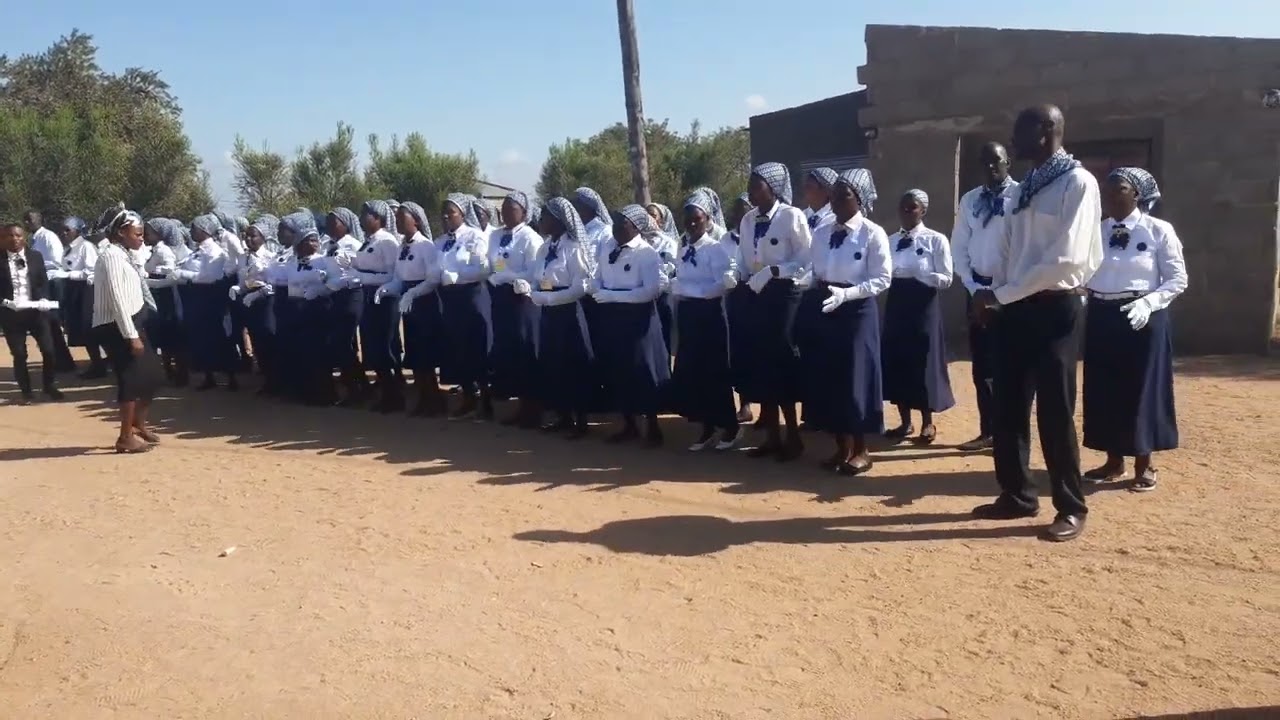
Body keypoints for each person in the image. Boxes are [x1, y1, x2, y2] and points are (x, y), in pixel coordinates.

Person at [970, 104, 1102, 542]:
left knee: (1055, 411)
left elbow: (1065, 259)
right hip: (1015, 309)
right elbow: (1010, 250)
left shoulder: (1077, 183)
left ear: (1046, 131)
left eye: (1019, 132)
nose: (1011, 141)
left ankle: (1070, 506)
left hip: (1055, 308)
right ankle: (1018, 494)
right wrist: (993, 297)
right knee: (1007, 406)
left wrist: (1002, 294)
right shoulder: (1027, 186)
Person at [1082, 167, 1186, 492]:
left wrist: (1149, 303)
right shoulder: (1095, 232)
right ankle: (1114, 461)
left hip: (1142, 316)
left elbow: (1177, 279)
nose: (1111, 197)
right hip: (1101, 315)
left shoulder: (1158, 231)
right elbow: (1082, 272)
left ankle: (1145, 463)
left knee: (1141, 388)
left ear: (1137, 195)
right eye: (1107, 191)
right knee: (1105, 388)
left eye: (1120, 190)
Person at [797, 169, 891, 475]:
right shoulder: (822, 232)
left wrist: (848, 294)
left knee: (855, 378)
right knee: (829, 377)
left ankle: (861, 449)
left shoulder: (872, 233)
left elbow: (881, 278)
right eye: (834, 194)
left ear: (860, 199)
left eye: (844, 195)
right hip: (825, 304)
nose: (836, 200)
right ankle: (840, 447)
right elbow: (816, 269)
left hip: (857, 311)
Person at [738, 162, 813, 462]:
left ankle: (793, 436)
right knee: (762, 363)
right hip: (756, 294)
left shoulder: (790, 216)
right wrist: (740, 275)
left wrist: (775, 271)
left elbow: (807, 259)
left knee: (782, 362)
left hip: (784, 296)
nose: (751, 191)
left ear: (774, 188)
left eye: (757, 186)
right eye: (750, 185)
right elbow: (743, 257)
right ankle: (771, 436)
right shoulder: (747, 220)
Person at [951, 142, 1018, 452]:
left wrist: (1002, 292)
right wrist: (973, 287)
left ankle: (1010, 433)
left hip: (1012, 293)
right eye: (985, 163)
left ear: (1008, 163)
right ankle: (987, 431)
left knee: (1011, 366)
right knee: (982, 367)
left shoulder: (1020, 197)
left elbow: (1026, 248)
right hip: (977, 292)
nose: (991, 168)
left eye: (997, 162)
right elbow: (959, 247)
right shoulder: (970, 200)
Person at [881, 189, 956, 444]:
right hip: (897, 301)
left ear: (923, 210)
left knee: (922, 358)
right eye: (902, 207)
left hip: (923, 302)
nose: (906, 212)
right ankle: (904, 422)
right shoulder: (889, 241)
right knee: (898, 356)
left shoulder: (936, 240)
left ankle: (927, 422)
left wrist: (921, 274)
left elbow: (947, 278)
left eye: (911, 207)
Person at [593, 205, 671, 447]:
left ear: (636, 227)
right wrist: (598, 290)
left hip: (639, 321)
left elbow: (651, 290)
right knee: (619, 369)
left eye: (622, 223)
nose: (616, 228)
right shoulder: (608, 249)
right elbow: (597, 277)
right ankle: (629, 424)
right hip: (613, 318)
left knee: (643, 371)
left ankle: (653, 426)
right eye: (615, 223)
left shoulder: (646, 253)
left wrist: (613, 295)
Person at [670, 191, 741, 451]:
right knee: (694, 372)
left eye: (696, 219)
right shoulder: (682, 245)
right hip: (688, 315)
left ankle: (730, 427)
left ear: (707, 219)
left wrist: (684, 288)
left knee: (715, 373)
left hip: (709, 315)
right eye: (687, 219)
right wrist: (680, 286)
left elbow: (720, 285)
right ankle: (706, 427)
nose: (691, 224)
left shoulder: (715, 247)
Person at [91, 209, 162, 453]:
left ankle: (137, 424)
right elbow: (117, 298)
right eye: (137, 233)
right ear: (121, 233)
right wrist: (130, 334)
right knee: (129, 379)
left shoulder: (125, 255)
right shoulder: (111, 256)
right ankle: (124, 437)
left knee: (153, 375)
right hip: (116, 325)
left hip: (133, 322)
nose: (142, 238)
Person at [527, 198, 595, 438]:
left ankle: (582, 420)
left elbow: (580, 287)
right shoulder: (545, 247)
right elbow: (542, 277)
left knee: (574, 364)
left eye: (545, 217)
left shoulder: (574, 247)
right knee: (554, 364)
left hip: (569, 313)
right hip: (548, 312)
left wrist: (549, 298)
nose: (541, 221)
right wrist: (534, 291)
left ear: (558, 220)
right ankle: (563, 415)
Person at [377, 202, 446, 416]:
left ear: (415, 220)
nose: (397, 221)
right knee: (414, 352)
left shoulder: (425, 246)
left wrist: (413, 292)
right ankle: (424, 399)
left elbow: (433, 277)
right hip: (409, 302)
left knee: (425, 353)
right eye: (396, 217)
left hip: (425, 301)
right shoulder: (402, 247)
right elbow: (399, 277)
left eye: (401, 217)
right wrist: (387, 288)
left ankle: (434, 400)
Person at [487, 190, 544, 426]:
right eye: (504, 209)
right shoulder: (496, 236)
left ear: (524, 212)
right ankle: (520, 406)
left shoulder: (530, 238)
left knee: (525, 350)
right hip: (501, 297)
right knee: (509, 350)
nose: (506, 213)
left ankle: (534, 408)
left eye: (512, 208)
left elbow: (534, 272)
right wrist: (501, 275)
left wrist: (512, 277)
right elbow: (496, 262)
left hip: (523, 300)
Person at [436, 193, 494, 419]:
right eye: (444, 212)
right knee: (458, 348)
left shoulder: (474, 236)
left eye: (451, 212)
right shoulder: (441, 242)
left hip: (473, 297)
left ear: (462, 214)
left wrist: (457, 276)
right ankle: (468, 398)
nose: (446, 216)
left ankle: (486, 400)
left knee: (477, 347)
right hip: (450, 300)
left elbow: (484, 268)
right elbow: (434, 270)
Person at [172, 214, 238, 391]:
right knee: (201, 338)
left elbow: (211, 276)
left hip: (210, 299)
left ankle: (231, 377)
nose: (191, 232)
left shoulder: (214, 252)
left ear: (204, 230)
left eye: (194, 228)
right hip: (197, 299)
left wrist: (184, 275)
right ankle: (209, 376)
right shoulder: (198, 250)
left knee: (219, 337)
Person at [0, 223, 63, 403]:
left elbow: (42, 282)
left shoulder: (35, 257)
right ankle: (26, 391)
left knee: (49, 350)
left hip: (36, 312)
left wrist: (43, 298)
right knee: (20, 354)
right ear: (3, 239)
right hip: (12, 314)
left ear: (24, 237)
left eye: (18, 235)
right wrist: (6, 302)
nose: (14, 239)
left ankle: (49, 386)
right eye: (10, 236)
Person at [353, 200, 405, 412]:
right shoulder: (368, 241)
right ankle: (386, 393)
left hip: (385, 299)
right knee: (374, 347)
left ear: (378, 218)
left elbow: (393, 275)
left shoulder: (387, 242)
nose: (362, 218)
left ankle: (395, 397)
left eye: (367, 214)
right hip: (369, 298)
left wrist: (363, 277)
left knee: (385, 348)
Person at [52, 217, 107, 377]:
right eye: (62, 230)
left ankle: (100, 365)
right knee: (80, 329)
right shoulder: (68, 248)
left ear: (77, 230)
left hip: (87, 291)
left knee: (89, 327)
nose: (63, 233)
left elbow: (91, 272)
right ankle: (96, 363)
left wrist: (68, 275)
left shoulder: (86, 247)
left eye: (67, 230)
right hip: (74, 291)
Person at [324, 207, 369, 406]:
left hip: (351, 295)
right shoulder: (327, 245)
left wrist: (341, 281)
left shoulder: (354, 244)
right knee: (342, 345)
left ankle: (356, 390)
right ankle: (360, 386)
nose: (330, 226)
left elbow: (359, 271)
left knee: (341, 342)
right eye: (328, 222)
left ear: (346, 224)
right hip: (334, 297)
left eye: (334, 222)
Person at [23, 210, 77, 373]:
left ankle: (64, 362)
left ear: (39, 220)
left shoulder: (48, 237)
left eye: (30, 220)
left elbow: (56, 261)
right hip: (42, 282)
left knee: (52, 322)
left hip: (53, 282)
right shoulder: (34, 239)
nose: (27, 223)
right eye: (25, 220)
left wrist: (35, 268)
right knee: (47, 324)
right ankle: (60, 361)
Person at [230, 217, 278, 395]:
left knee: (268, 339)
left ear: (263, 238)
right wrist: (238, 288)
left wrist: (257, 294)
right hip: (247, 301)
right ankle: (266, 380)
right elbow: (244, 280)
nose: (248, 240)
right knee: (256, 340)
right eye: (246, 236)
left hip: (265, 302)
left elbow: (273, 284)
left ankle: (275, 379)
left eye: (253, 236)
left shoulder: (270, 257)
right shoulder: (243, 258)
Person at [142, 218, 189, 386]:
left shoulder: (165, 251)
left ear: (160, 234)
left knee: (172, 334)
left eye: (149, 232)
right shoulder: (156, 250)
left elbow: (171, 276)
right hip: (160, 296)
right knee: (163, 335)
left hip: (168, 297)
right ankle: (168, 371)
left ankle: (180, 373)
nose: (145, 235)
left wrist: (148, 282)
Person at [722, 192, 755, 426]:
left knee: (758, 350)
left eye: (743, 208)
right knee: (739, 351)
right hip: (734, 297)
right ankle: (744, 404)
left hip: (757, 293)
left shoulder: (758, 234)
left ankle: (768, 409)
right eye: (736, 209)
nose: (738, 213)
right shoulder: (726, 239)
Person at [802, 168, 838, 234]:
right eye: (805, 186)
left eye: (809, 187)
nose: (805, 190)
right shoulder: (803, 215)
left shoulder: (834, 218)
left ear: (826, 191)